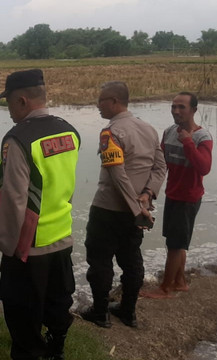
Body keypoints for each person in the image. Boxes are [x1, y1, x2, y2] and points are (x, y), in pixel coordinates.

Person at [0, 69, 80, 360]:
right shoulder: (69, 130)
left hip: (28, 248)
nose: (8, 111)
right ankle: (56, 351)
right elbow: (66, 185)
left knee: (23, 321)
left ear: (21, 100)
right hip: (62, 237)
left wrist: (6, 246)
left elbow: (15, 199)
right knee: (57, 307)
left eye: (8, 104)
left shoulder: (18, 140)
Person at [80, 81, 166, 328]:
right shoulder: (149, 129)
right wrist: (146, 196)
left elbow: (117, 172)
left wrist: (138, 206)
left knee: (100, 260)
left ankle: (100, 312)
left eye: (101, 100)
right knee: (131, 260)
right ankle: (128, 311)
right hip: (137, 212)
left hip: (108, 209)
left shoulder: (111, 132)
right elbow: (160, 167)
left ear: (115, 102)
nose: (98, 105)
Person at [142, 92, 213, 299]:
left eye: (181, 107)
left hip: (189, 198)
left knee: (175, 244)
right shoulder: (169, 132)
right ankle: (180, 282)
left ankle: (165, 288)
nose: (176, 111)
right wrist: (150, 192)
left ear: (193, 110)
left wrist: (188, 142)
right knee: (176, 241)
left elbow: (204, 168)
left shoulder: (202, 137)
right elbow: (160, 165)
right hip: (172, 194)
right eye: (173, 107)